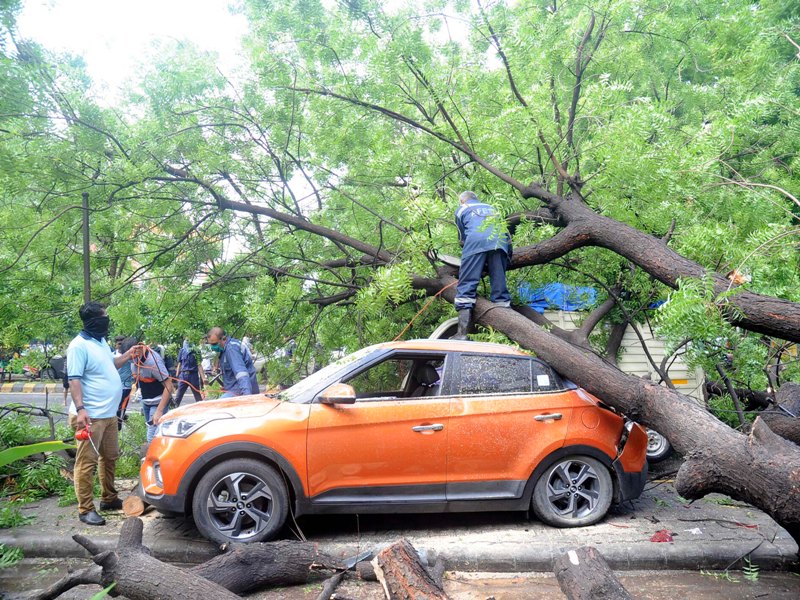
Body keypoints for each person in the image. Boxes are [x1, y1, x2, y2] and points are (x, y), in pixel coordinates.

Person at [66, 301, 140, 526]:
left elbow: (111, 365)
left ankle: (108, 498)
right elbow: (74, 379)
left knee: (109, 458)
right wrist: (81, 409)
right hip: (91, 416)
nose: (107, 321)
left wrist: (127, 355)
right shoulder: (78, 346)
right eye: (104, 317)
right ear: (93, 320)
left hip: (108, 415)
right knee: (86, 463)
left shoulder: (100, 342)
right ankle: (85, 509)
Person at [452, 190, 512, 339]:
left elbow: (463, 239)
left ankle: (462, 334)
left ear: (462, 201)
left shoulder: (462, 209)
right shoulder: (493, 208)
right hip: (500, 243)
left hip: (475, 242)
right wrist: (508, 256)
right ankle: (503, 336)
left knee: (466, 287)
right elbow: (506, 233)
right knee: (500, 290)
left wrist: (474, 260)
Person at [132, 345, 174, 443]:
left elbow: (169, 386)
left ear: (138, 351)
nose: (131, 360)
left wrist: (159, 411)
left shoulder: (153, 362)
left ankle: (151, 457)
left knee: (151, 437)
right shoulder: (132, 360)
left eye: (132, 357)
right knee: (157, 432)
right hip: (146, 401)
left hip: (158, 402)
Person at [206, 327, 259, 397]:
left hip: (242, 390)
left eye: (214, 344)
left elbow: (241, 374)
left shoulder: (231, 349)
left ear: (223, 339)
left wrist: (247, 396)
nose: (212, 347)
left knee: (220, 405)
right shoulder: (225, 349)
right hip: (235, 389)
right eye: (211, 344)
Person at [174, 339, 205, 406]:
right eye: (186, 340)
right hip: (183, 375)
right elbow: (179, 364)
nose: (187, 342)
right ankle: (173, 410)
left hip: (193, 376)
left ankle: (201, 410)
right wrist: (177, 376)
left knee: (197, 396)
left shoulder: (197, 351)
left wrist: (203, 378)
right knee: (178, 396)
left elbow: (199, 365)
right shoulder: (182, 351)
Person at [113, 336, 135, 430]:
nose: (120, 344)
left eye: (122, 342)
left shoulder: (130, 356)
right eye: (119, 343)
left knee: (121, 410)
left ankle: (118, 429)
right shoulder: (112, 355)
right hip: (113, 387)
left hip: (125, 387)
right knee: (113, 409)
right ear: (115, 344)